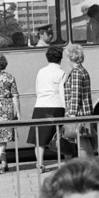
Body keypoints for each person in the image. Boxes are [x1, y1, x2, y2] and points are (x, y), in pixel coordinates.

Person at [28, 42, 66, 172]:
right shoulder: (61, 73)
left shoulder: (41, 71)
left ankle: (40, 163)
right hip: (56, 106)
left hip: (40, 106)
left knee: (40, 139)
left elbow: (37, 88)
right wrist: (65, 109)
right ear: (60, 58)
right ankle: (65, 161)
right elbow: (62, 92)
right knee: (60, 136)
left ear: (47, 57)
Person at [63, 44, 96, 158]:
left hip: (79, 113)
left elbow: (76, 95)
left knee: (82, 143)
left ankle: (86, 166)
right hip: (84, 112)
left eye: (67, 56)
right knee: (85, 141)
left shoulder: (76, 72)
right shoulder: (82, 70)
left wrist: (72, 114)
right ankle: (91, 165)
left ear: (71, 57)